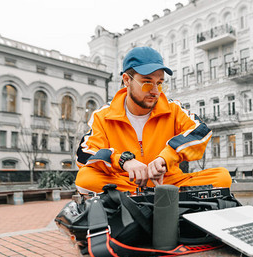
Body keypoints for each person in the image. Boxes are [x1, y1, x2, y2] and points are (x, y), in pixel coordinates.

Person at [75, 47, 232, 194]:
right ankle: (151, 198)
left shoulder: (173, 109)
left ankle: (146, 199)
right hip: (125, 182)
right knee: (85, 179)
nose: (155, 91)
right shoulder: (103, 116)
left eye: (159, 83)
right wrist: (124, 161)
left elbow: (200, 132)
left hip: (169, 183)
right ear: (126, 80)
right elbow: (85, 154)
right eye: (147, 83)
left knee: (222, 177)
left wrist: (165, 158)